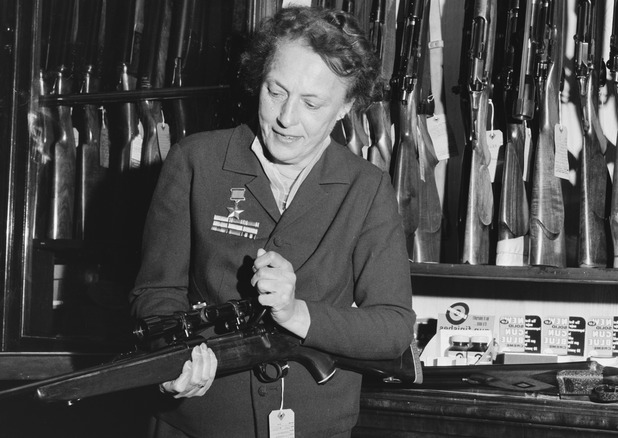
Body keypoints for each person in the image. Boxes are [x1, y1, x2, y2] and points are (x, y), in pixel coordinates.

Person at [129, 6, 416, 437]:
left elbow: (394, 327)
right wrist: (173, 363)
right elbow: (155, 293)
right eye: (275, 91)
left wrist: (296, 312)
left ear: (347, 107)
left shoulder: (368, 188)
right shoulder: (195, 161)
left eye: (312, 103)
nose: (286, 117)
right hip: (197, 424)